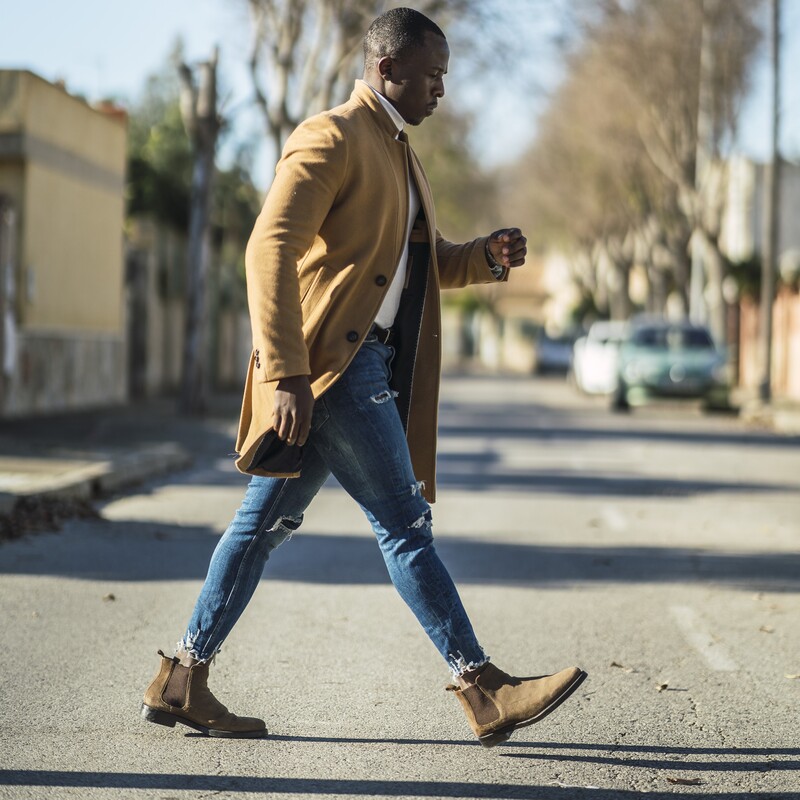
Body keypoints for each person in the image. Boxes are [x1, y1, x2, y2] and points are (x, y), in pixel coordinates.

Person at [142, 6, 586, 748]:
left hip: (354, 366)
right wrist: (284, 370)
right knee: (404, 525)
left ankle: (183, 678)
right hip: (336, 369)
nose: (442, 88)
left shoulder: (399, 151)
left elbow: (415, 264)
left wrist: (484, 256)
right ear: (388, 70)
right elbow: (268, 247)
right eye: (432, 74)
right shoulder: (333, 136)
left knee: (260, 529)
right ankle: (483, 688)